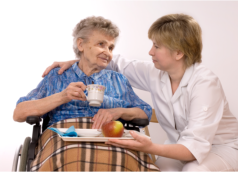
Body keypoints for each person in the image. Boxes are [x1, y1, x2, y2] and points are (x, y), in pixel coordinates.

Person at [43, 14, 238, 172]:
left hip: (221, 149)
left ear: (179, 52)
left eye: (157, 46)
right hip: (179, 146)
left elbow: (194, 147)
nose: (150, 51)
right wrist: (75, 61)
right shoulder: (155, 72)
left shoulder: (205, 83)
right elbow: (112, 61)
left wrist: (149, 147)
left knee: (193, 170)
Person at [13, 16, 159, 172]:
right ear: (81, 44)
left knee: (123, 159)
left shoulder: (118, 80)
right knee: (72, 158)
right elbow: (19, 113)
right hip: (65, 140)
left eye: (111, 48)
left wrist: (119, 111)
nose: (107, 52)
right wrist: (62, 96)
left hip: (110, 138)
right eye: (101, 44)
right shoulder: (58, 75)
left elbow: (145, 112)